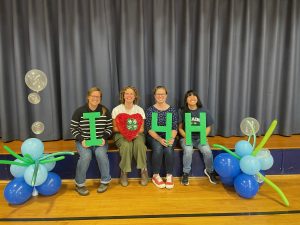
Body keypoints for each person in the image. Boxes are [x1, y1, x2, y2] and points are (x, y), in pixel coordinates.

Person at [70, 87, 113, 196]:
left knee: (100, 154)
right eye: (93, 96)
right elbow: (73, 128)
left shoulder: (104, 110)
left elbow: (109, 127)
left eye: (98, 96)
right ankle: (79, 184)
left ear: (100, 98)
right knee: (86, 156)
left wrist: (104, 138)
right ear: (88, 97)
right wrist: (82, 139)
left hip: (100, 141)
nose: (95, 98)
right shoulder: (80, 111)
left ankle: (105, 181)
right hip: (84, 141)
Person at [178, 90, 217, 185]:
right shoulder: (182, 111)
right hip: (186, 137)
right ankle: (185, 173)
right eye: (189, 96)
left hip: (200, 138)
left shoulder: (203, 110)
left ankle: (209, 171)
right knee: (188, 150)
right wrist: (186, 136)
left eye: (194, 95)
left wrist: (204, 136)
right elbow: (180, 128)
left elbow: (208, 127)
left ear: (197, 98)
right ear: (186, 99)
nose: (192, 97)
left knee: (207, 151)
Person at [112, 86, 148, 187]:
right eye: (126, 93)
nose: (129, 95)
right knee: (126, 145)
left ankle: (143, 170)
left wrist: (133, 133)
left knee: (140, 145)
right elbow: (114, 128)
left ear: (135, 96)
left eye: (131, 93)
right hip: (120, 135)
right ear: (123, 95)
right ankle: (124, 172)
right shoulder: (117, 110)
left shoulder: (139, 110)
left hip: (137, 134)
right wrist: (126, 132)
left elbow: (141, 129)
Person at [145, 86, 178, 189]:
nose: (160, 96)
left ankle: (169, 175)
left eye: (162, 94)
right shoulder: (150, 110)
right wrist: (159, 139)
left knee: (168, 149)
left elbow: (174, 127)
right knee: (158, 149)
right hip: (154, 136)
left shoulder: (172, 110)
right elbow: (149, 128)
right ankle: (155, 175)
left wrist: (171, 138)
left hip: (169, 135)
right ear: (155, 96)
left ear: (166, 95)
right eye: (158, 94)